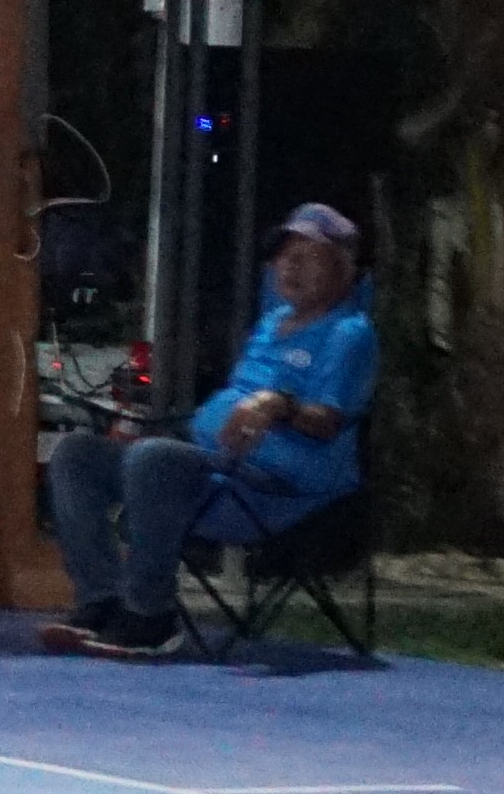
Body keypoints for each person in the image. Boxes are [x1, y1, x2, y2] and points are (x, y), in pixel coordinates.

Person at [44, 201, 376, 658]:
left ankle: (150, 617)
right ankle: (101, 602)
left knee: (154, 458)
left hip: (275, 491)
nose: (291, 265)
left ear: (342, 267)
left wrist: (278, 404)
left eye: (309, 255)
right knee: (76, 454)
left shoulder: (348, 334)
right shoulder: (274, 322)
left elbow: (329, 422)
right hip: (211, 469)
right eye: (284, 254)